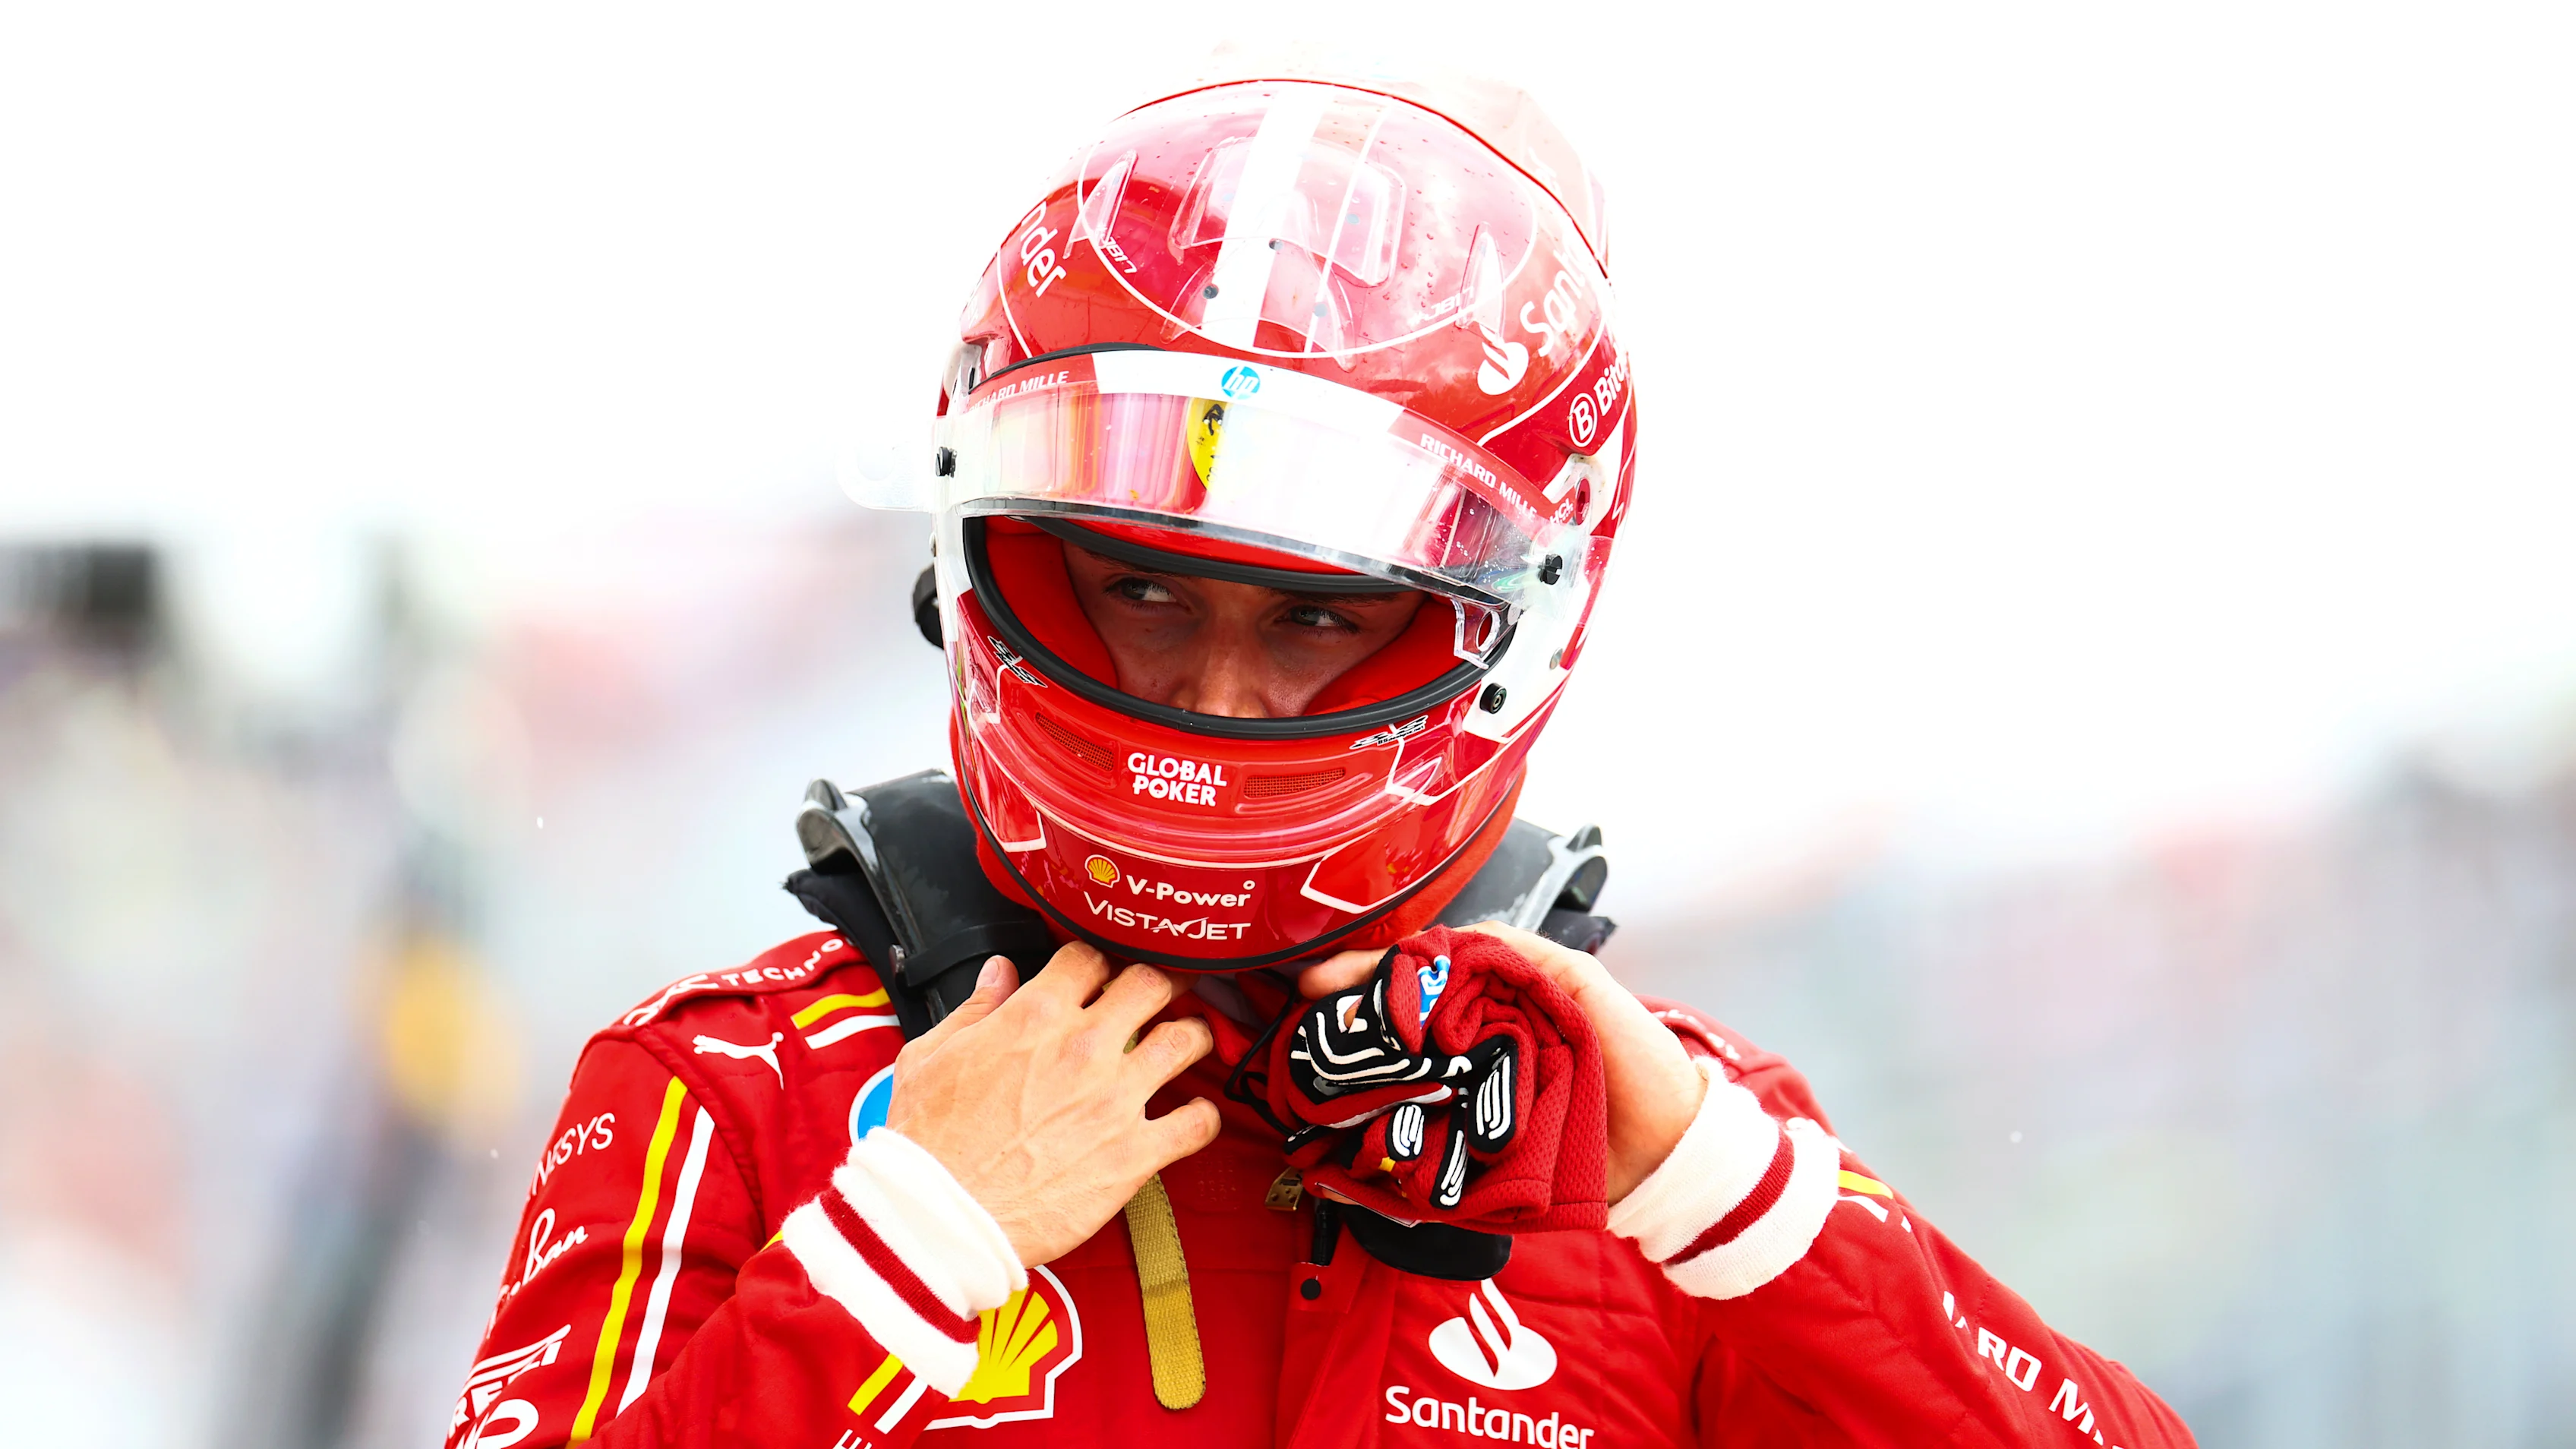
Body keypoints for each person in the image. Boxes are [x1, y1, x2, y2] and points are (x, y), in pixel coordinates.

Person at [447, 64, 2196, 1449]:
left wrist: (1718, 1195)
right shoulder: (743, 1092)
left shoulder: (1650, 1154)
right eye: (1138, 585)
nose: (1213, 694)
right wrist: (905, 1241)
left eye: (1312, 620)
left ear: (1495, 632)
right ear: (984, 554)